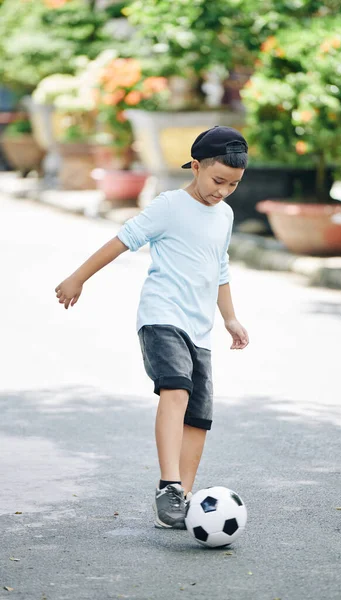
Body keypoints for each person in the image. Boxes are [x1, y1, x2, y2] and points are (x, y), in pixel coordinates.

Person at [55, 126, 249, 530]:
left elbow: (220, 268)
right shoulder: (169, 206)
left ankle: (183, 502)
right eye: (217, 180)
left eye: (232, 185)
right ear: (195, 167)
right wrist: (78, 278)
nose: (223, 191)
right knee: (176, 389)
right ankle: (169, 485)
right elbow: (122, 240)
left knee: (199, 416)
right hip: (162, 317)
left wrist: (229, 317)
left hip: (200, 328)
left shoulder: (225, 214)